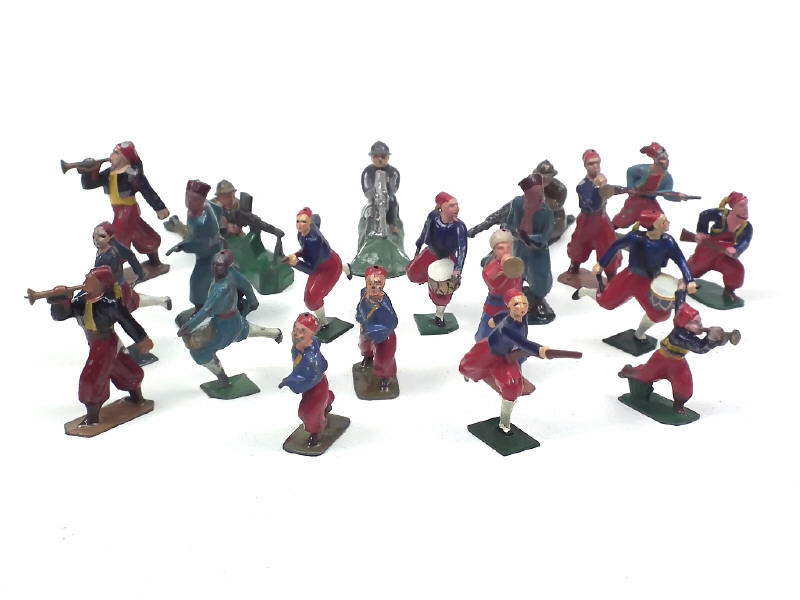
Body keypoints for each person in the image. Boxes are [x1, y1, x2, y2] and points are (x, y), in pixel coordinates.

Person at [49, 266, 153, 427]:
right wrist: (61, 299)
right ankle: (136, 397)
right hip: (93, 342)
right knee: (123, 369)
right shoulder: (82, 300)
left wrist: (142, 339)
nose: (85, 280)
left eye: (90, 279)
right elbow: (61, 315)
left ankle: (92, 419)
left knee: (91, 377)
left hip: (106, 343)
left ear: (101, 284)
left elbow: (127, 321)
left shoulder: (110, 303)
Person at [573, 209, 697, 341]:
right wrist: (602, 264)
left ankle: (639, 333)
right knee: (606, 302)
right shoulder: (635, 238)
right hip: (630, 277)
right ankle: (585, 291)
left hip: (650, 281)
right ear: (653, 226)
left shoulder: (668, 242)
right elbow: (615, 246)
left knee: (660, 314)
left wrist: (689, 280)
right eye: (663, 221)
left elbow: (681, 261)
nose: (668, 222)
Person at [177, 250, 282, 386]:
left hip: (223, 325)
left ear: (227, 267)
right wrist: (253, 301)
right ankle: (274, 333)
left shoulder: (221, 288)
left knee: (201, 352)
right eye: (214, 264)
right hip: (233, 318)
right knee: (244, 329)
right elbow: (245, 284)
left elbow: (206, 310)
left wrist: (187, 327)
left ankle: (222, 378)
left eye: (219, 266)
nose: (215, 268)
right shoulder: (232, 274)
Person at [459, 289, 551, 435]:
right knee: (468, 367)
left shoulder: (518, 316)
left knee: (512, 386)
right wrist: (539, 349)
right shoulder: (508, 328)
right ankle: (469, 374)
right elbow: (522, 342)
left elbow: (502, 316)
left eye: (524, 303)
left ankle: (504, 423)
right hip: (487, 351)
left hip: (505, 358)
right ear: (509, 305)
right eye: (516, 304)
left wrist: (494, 320)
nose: (522, 307)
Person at [618, 303, 731, 415]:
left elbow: (701, 345)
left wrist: (717, 340)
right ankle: (629, 371)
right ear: (683, 323)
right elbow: (699, 348)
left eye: (699, 321)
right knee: (644, 376)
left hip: (678, 362)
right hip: (662, 360)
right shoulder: (679, 334)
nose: (700, 325)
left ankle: (678, 406)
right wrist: (712, 339)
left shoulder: (689, 333)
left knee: (684, 386)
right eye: (695, 322)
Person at [80, 141, 170, 268]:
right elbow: (89, 184)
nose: (111, 155)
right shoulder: (110, 172)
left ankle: (114, 267)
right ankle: (154, 258)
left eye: (116, 153)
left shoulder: (132, 174)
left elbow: (148, 191)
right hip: (118, 210)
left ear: (125, 157)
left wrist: (160, 208)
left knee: (116, 239)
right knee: (141, 233)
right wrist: (88, 171)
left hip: (128, 211)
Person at [406, 191, 468, 327]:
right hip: (431, 252)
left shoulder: (459, 227)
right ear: (441, 207)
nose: (456, 208)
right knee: (412, 272)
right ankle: (428, 279)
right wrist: (420, 240)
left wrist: (457, 268)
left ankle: (439, 316)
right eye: (451, 205)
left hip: (447, 258)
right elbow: (426, 229)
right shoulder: (433, 217)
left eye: (457, 205)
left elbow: (462, 249)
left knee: (443, 291)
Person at [279, 313, 335, 447]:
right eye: (295, 328)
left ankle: (317, 431)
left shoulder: (311, 358)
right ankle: (327, 401)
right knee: (316, 403)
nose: (296, 333)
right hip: (309, 386)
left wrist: (290, 380)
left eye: (302, 331)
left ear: (311, 334)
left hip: (316, 385)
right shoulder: (300, 346)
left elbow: (318, 369)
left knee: (306, 412)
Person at [167, 180, 225, 309]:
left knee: (197, 281)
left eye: (194, 199)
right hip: (210, 242)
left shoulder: (202, 222)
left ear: (202, 200)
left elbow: (201, 247)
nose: (189, 202)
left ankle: (201, 306)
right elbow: (219, 210)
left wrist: (183, 246)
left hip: (210, 254)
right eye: (187, 196)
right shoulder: (205, 205)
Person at [505, 174, 555, 323]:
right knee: (517, 271)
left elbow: (545, 235)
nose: (540, 197)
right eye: (535, 194)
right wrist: (512, 232)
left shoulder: (546, 213)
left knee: (541, 274)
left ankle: (539, 299)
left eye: (541, 192)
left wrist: (530, 238)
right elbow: (510, 223)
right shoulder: (517, 204)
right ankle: (517, 296)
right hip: (520, 247)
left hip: (538, 251)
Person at [686, 192, 753, 302]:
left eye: (746, 205)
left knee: (735, 271)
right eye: (741, 205)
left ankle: (729, 291)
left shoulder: (746, 227)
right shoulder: (720, 215)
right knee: (694, 269)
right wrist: (701, 232)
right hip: (707, 250)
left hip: (724, 255)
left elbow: (745, 241)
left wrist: (736, 249)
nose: (745, 208)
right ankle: (686, 281)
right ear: (733, 207)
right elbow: (704, 215)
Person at [285, 207, 345, 327]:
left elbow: (312, 269)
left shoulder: (314, 241)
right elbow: (317, 217)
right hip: (327, 259)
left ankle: (323, 323)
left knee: (311, 299)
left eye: (304, 222)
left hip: (327, 269)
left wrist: (297, 263)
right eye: (298, 221)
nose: (300, 225)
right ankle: (345, 267)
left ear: (309, 222)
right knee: (311, 298)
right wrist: (298, 254)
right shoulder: (302, 233)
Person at [92, 222, 171, 313]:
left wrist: (139, 272)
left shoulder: (111, 254)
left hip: (116, 288)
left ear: (111, 237)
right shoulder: (102, 250)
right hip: (108, 287)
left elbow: (108, 274)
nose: (96, 239)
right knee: (134, 300)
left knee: (132, 302)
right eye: (94, 236)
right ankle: (163, 301)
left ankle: (163, 301)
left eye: (102, 236)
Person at [566, 149, 621, 278]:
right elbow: (593, 205)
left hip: (602, 220)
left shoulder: (603, 183)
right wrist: (597, 187)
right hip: (587, 220)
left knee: (609, 246)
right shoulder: (582, 186)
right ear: (585, 166)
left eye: (597, 162)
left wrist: (623, 190)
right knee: (578, 244)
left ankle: (611, 274)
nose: (595, 166)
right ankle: (574, 265)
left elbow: (610, 191)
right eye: (591, 163)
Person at [611, 142, 686, 229]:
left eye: (666, 159)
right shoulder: (642, 170)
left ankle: (651, 235)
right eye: (662, 159)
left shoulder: (667, 178)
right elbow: (630, 171)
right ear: (656, 160)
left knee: (660, 222)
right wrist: (631, 187)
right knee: (622, 220)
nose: (666, 162)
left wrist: (679, 197)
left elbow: (667, 194)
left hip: (650, 203)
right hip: (635, 201)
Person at [474, 228, 522, 342]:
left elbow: (518, 285)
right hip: (495, 305)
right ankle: (483, 345)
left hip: (511, 305)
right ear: (494, 250)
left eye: (508, 247)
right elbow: (494, 285)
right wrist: (504, 270)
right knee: (487, 330)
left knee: (512, 330)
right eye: (500, 248)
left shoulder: (516, 265)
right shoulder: (491, 268)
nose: (505, 251)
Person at [355, 265, 398, 392]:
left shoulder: (384, 304)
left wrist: (376, 331)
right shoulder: (363, 293)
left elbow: (393, 321)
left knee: (384, 358)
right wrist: (359, 317)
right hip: (366, 329)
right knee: (364, 346)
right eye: (370, 282)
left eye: (378, 282)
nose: (373, 286)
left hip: (384, 335)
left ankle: (384, 378)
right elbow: (360, 308)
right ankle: (367, 357)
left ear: (383, 284)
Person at [361, 141, 401, 233]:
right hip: (374, 197)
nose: (379, 160)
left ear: (388, 157)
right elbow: (366, 189)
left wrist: (388, 184)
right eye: (375, 156)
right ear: (371, 157)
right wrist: (374, 192)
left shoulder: (394, 172)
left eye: (383, 157)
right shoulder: (367, 172)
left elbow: (394, 189)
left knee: (392, 201)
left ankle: (393, 225)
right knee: (371, 208)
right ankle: (369, 229)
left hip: (387, 196)